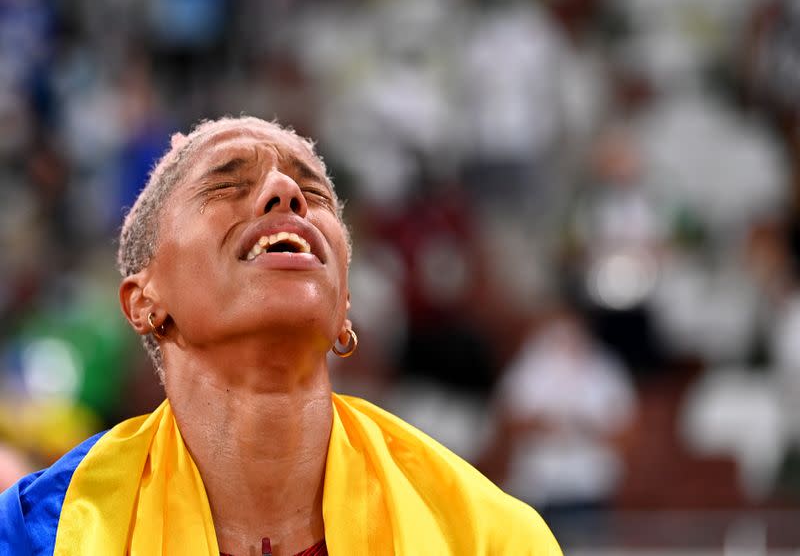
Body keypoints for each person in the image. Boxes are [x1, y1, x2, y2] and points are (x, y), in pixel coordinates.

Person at [0, 116, 562, 556]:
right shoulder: (43, 531)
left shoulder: (487, 537)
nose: (284, 193)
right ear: (145, 303)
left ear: (345, 306)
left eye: (312, 193)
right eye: (226, 185)